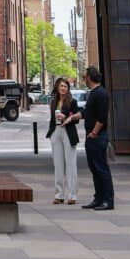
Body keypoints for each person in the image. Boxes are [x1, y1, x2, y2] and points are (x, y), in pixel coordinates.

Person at [82, 66, 114, 211]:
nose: (84, 78)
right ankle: (98, 198)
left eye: (85, 76)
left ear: (90, 77)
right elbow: (88, 113)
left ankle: (108, 200)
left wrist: (94, 133)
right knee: (94, 168)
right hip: (92, 137)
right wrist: (73, 116)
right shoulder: (93, 93)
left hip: (98, 137)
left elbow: (101, 117)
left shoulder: (100, 93)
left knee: (101, 169)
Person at [48, 75, 81, 205]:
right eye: (61, 86)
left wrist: (67, 116)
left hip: (68, 132)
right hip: (56, 131)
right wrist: (52, 134)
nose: (63, 88)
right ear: (57, 87)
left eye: (65, 86)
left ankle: (72, 195)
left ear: (68, 89)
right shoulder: (53, 101)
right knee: (58, 164)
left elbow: (77, 117)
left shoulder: (72, 101)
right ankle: (59, 194)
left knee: (71, 164)